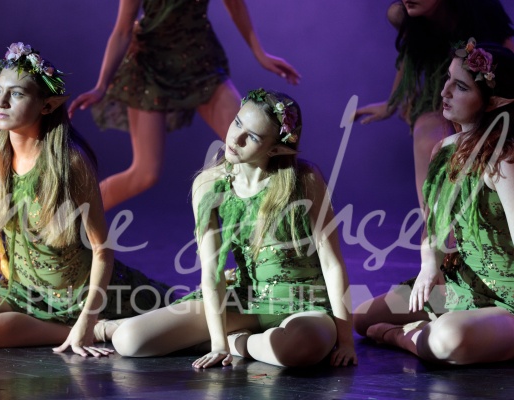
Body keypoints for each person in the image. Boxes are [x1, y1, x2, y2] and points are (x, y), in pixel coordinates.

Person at [0, 43, 171, 356]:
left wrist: (87, 319)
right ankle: (93, 331)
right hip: (23, 291)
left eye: (16, 94)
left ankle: (92, 327)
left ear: (47, 106)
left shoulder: (70, 162)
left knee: (186, 313)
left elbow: (102, 249)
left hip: (77, 295)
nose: (1, 102)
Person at [93, 89, 357, 368]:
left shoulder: (304, 179)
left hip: (304, 302)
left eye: (252, 137)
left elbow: (332, 263)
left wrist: (346, 341)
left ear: (276, 149)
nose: (235, 138)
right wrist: (218, 344)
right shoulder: (209, 184)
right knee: (130, 341)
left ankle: (240, 342)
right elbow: (212, 271)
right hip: (245, 300)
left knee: (301, 348)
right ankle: (233, 339)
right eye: (237, 123)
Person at [354, 41, 514, 365]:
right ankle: (431, 328)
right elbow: (434, 225)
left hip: (505, 299)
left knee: (446, 340)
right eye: (448, 79)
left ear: (495, 101)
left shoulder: (503, 159)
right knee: (362, 317)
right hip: (462, 285)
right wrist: (430, 265)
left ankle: (403, 336)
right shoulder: (443, 149)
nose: (445, 92)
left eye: (461, 87)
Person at [68, 0, 301, 212]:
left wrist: (260, 54)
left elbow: (235, 5)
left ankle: (279, 224)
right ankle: (71, 219)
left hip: (199, 61)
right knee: (145, 174)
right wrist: (101, 86)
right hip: (151, 68)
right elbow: (122, 30)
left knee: (257, 150)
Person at [354, 0, 514, 208]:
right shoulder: (401, 14)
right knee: (427, 133)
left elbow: (508, 52)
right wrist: (392, 102)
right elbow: (409, 55)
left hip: (492, 98)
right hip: (442, 93)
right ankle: (432, 222)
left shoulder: (482, 9)